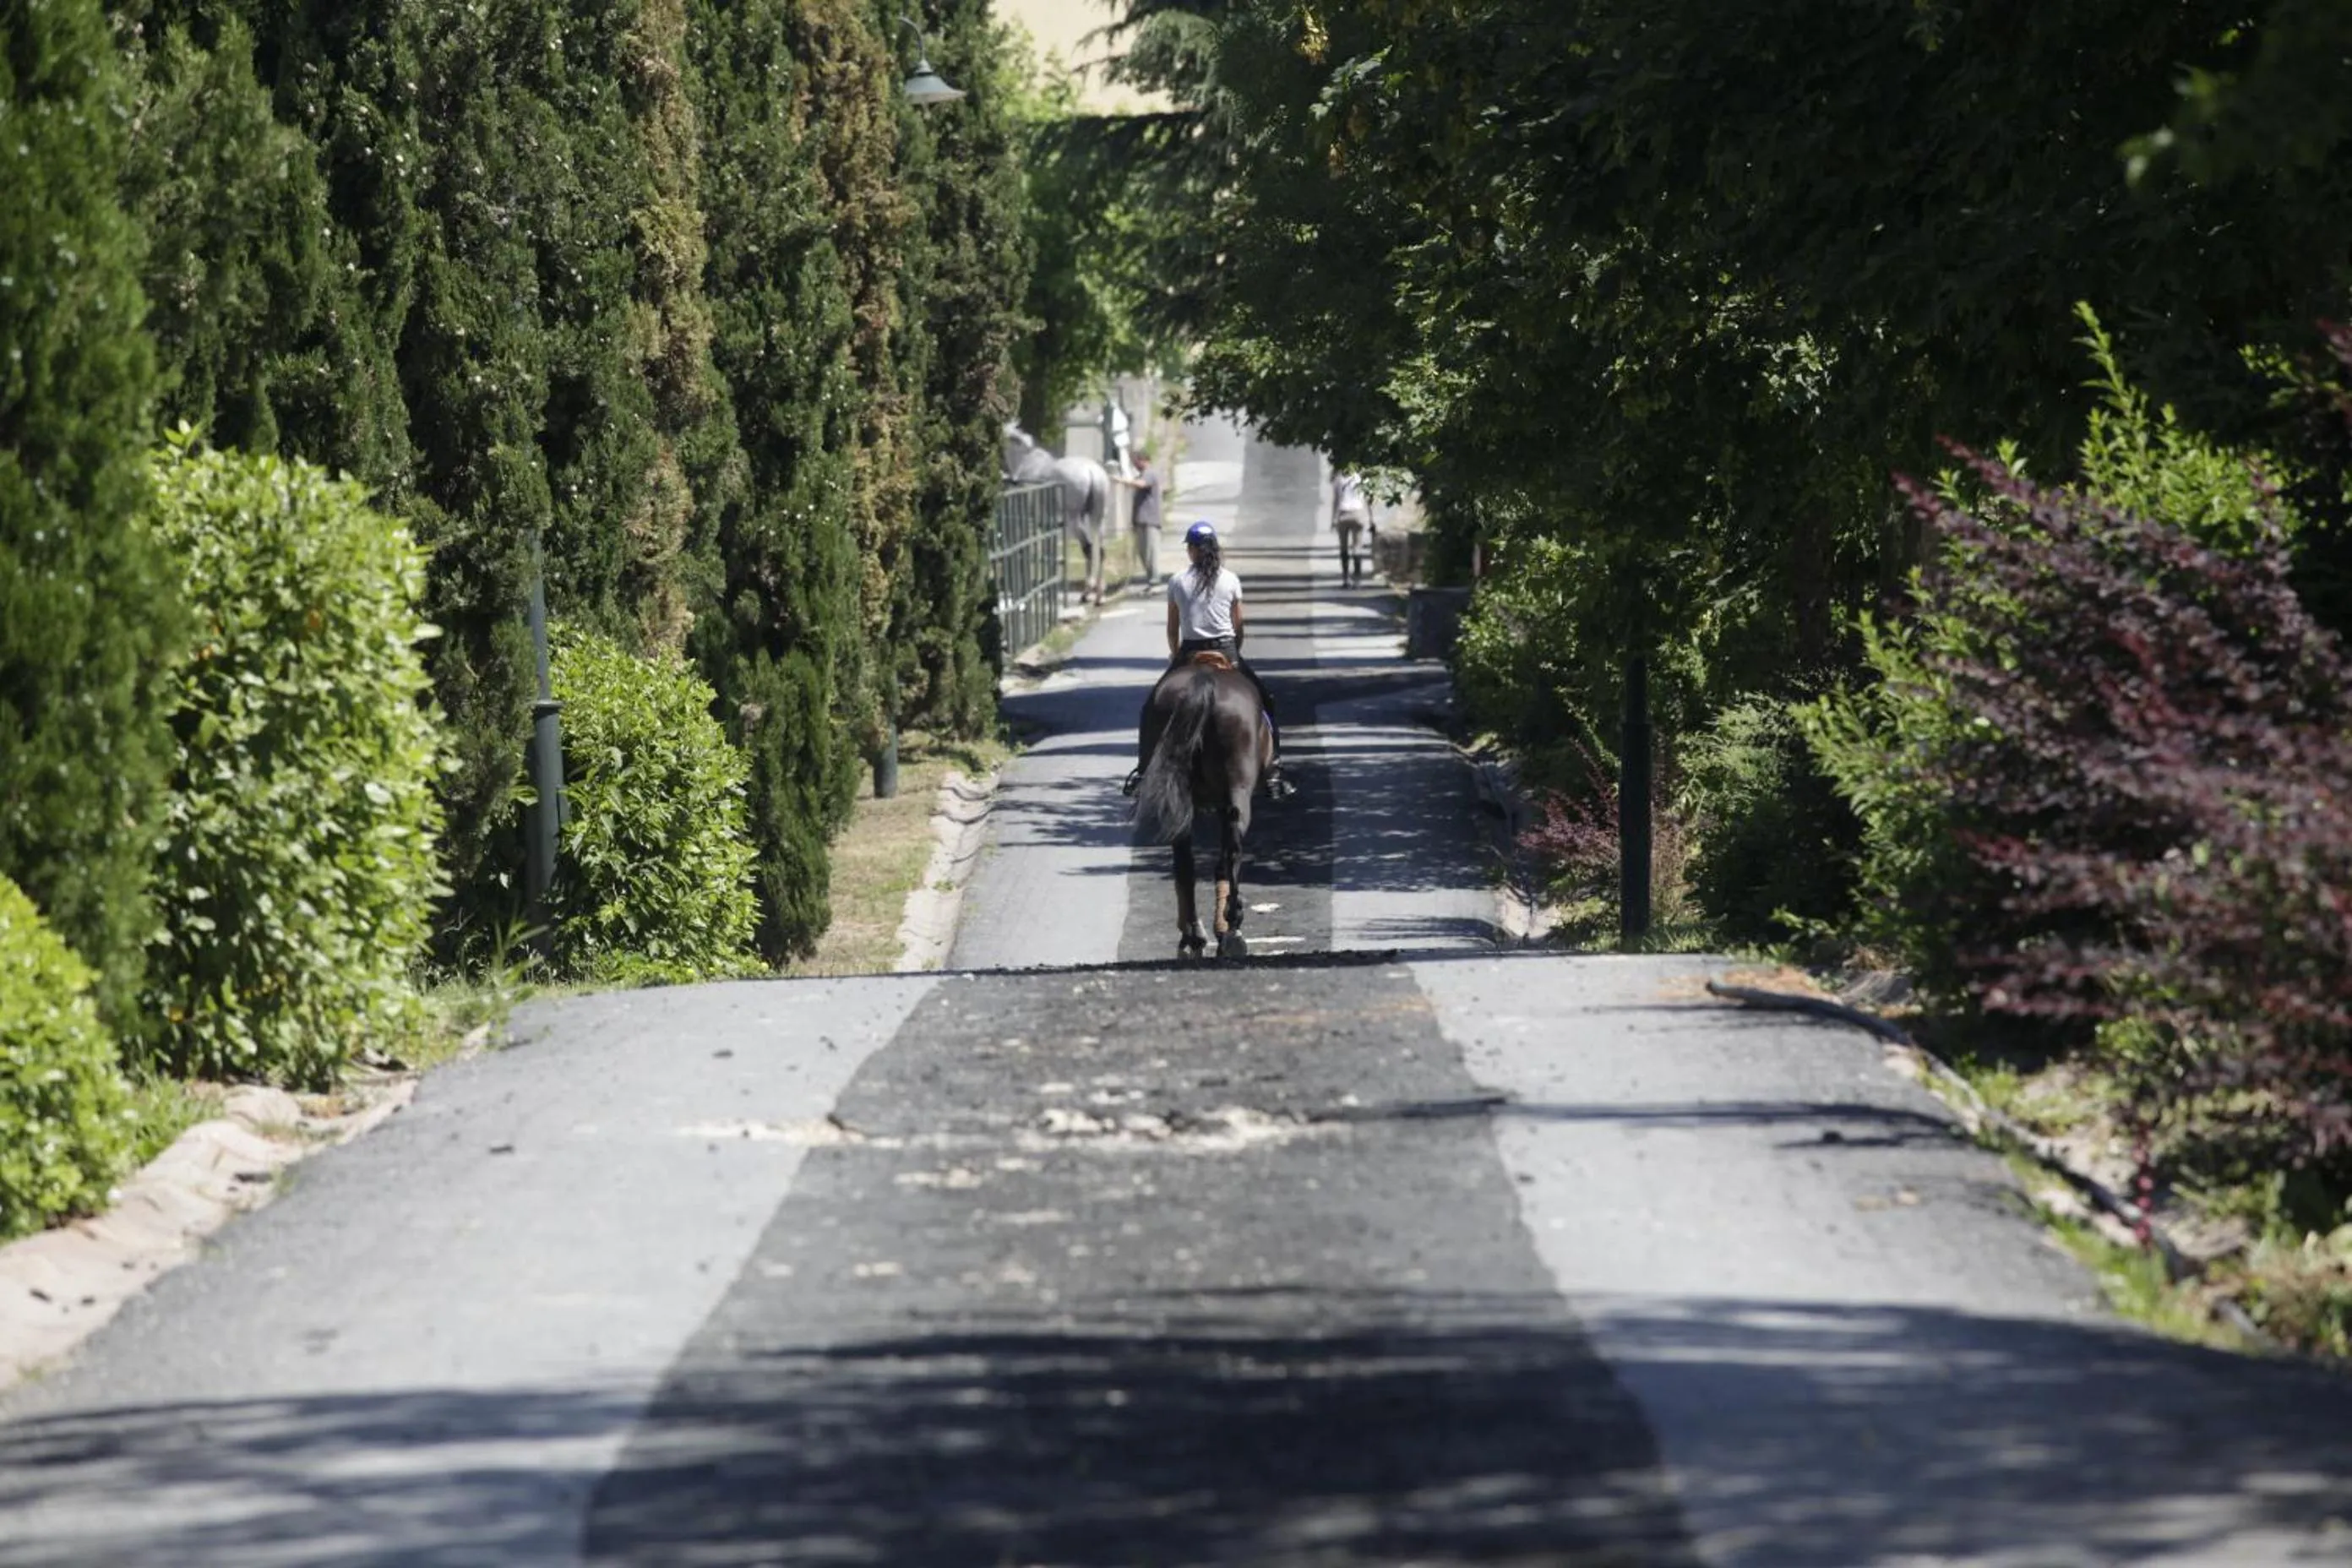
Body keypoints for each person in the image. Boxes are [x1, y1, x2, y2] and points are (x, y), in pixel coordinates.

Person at [1123, 520, 1295, 801]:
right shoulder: (1231, 579)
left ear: (1192, 550)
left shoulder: (1178, 581)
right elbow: (1238, 627)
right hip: (1226, 650)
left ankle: (1143, 772)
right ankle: (1274, 771)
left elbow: (1172, 629)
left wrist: (1175, 654)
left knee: (1151, 707)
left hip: (1190, 652)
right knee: (1266, 702)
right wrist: (1234, 654)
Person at [1109, 447, 1164, 587]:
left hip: (1150, 521)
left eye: (1136, 462)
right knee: (1143, 553)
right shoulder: (1141, 475)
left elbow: (1141, 485)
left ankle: (1155, 581)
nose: (1135, 465)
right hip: (1141, 521)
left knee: (1151, 553)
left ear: (1143, 460)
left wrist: (1120, 480)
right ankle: (1151, 580)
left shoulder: (1150, 473)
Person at [1331, 467, 1374, 586]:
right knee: (1357, 547)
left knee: (1343, 548)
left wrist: (1333, 519)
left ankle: (1345, 579)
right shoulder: (1361, 478)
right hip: (1358, 514)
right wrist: (1371, 519)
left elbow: (1336, 500)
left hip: (1343, 514)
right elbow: (1368, 500)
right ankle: (1357, 580)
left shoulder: (1339, 479)